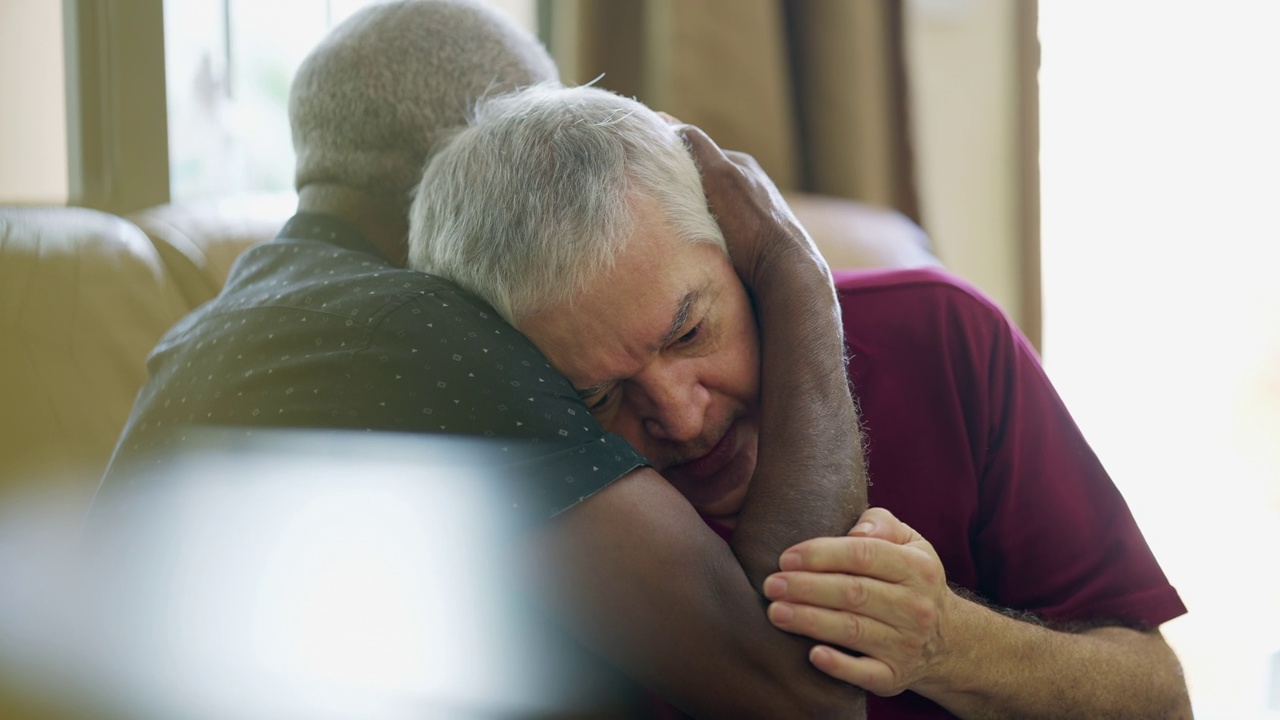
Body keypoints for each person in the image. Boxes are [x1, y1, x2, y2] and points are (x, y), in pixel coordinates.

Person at [95, 1, 884, 717]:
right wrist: (797, 276)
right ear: (481, 165)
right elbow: (801, 695)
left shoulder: (208, 335)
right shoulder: (418, 332)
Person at [407, 83, 1193, 719]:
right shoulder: (528, 493)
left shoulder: (943, 335)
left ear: (736, 251)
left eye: (688, 333)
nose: (681, 417)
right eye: (601, 395)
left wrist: (952, 644)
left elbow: (1159, 701)